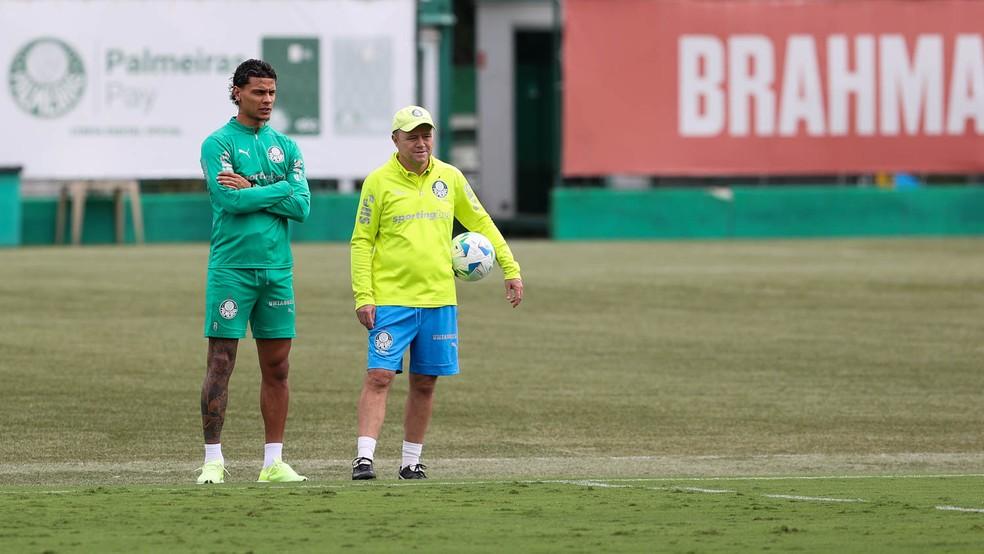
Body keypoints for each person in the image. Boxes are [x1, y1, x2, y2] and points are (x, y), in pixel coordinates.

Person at [349, 105, 524, 480]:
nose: (421, 143)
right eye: (412, 136)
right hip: (391, 298)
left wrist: (510, 268)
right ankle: (364, 458)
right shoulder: (378, 182)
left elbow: (480, 222)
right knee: (379, 376)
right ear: (395, 140)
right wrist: (364, 295)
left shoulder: (450, 177)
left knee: (425, 382)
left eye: (426, 135)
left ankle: (411, 461)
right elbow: (362, 241)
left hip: (439, 299)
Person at [195, 59, 311, 484]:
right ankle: (213, 460)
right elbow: (231, 201)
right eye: (259, 92)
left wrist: (256, 187)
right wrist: (280, 189)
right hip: (232, 269)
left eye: (272, 93)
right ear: (237, 92)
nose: (267, 100)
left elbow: (303, 206)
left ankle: (273, 463)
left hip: (277, 271)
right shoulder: (218, 144)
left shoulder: (287, 146)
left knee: (278, 368)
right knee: (221, 362)